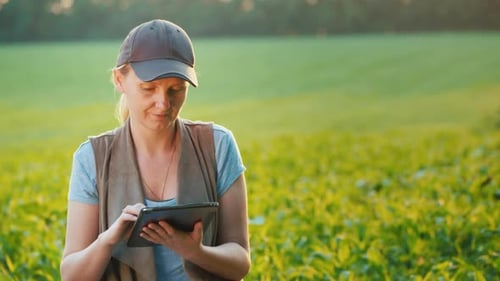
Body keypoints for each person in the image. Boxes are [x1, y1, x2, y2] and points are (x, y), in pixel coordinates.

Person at [60, 19, 250, 281]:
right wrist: (107, 240)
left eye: (176, 89)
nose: (163, 103)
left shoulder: (217, 146)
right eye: (148, 88)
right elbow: (71, 275)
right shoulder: (92, 158)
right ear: (119, 80)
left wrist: (195, 251)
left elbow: (240, 261)